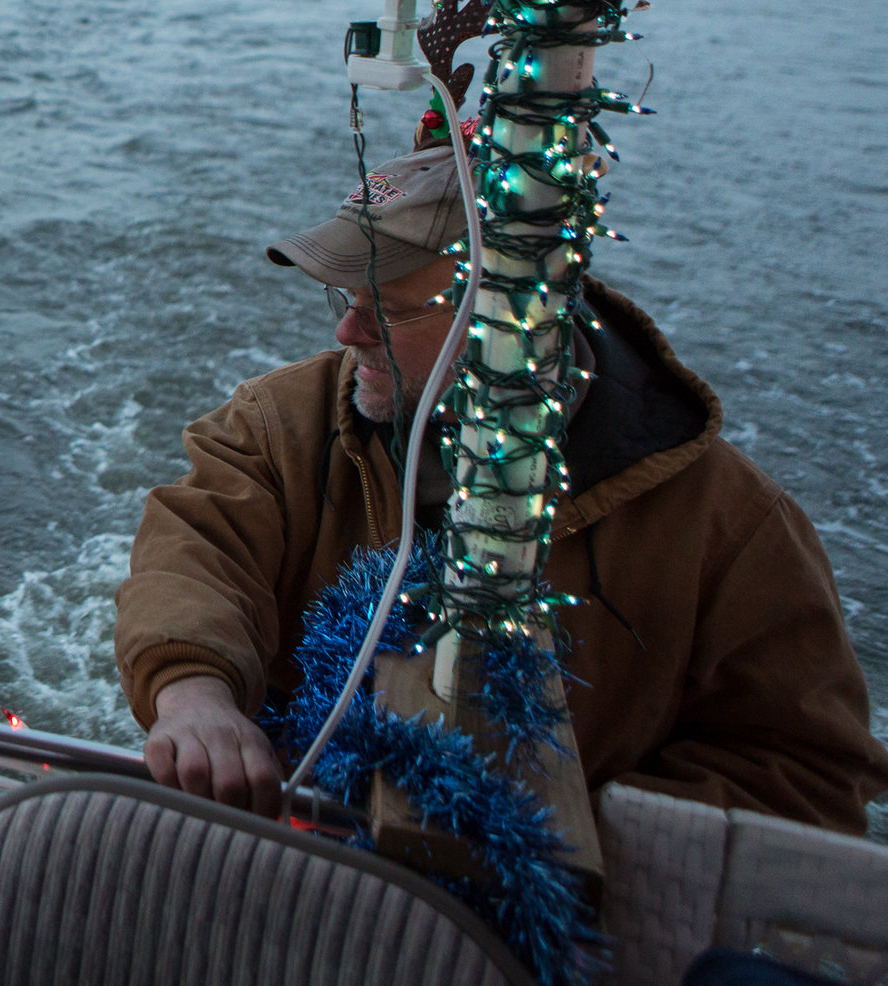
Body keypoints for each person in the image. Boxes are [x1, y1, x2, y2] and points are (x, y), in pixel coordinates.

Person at [114, 143, 888, 831]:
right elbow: (195, 547)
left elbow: (810, 773)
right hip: (302, 846)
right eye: (346, 301)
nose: (348, 335)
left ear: (510, 316)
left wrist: (573, 833)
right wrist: (194, 695)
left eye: (387, 307)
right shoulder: (279, 424)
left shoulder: (731, 525)